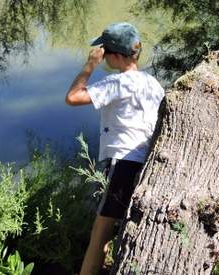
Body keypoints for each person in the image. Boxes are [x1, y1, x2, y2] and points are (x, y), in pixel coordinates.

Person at [65, 22, 165, 275]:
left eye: (104, 51)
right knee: (115, 226)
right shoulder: (153, 83)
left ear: (115, 56)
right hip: (146, 161)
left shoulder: (117, 83)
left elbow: (73, 97)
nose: (102, 55)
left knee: (99, 233)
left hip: (123, 162)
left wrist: (90, 65)